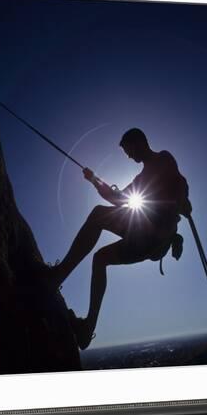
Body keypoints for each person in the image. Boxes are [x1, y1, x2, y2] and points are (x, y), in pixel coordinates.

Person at [47, 128, 191, 350]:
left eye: (128, 150)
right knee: (100, 258)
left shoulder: (163, 158)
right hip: (147, 240)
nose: (129, 156)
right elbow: (117, 198)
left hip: (151, 236)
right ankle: (87, 328)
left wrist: (182, 200)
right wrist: (94, 179)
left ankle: (59, 275)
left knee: (97, 215)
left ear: (139, 142)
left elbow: (179, 183)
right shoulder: (142, 177)